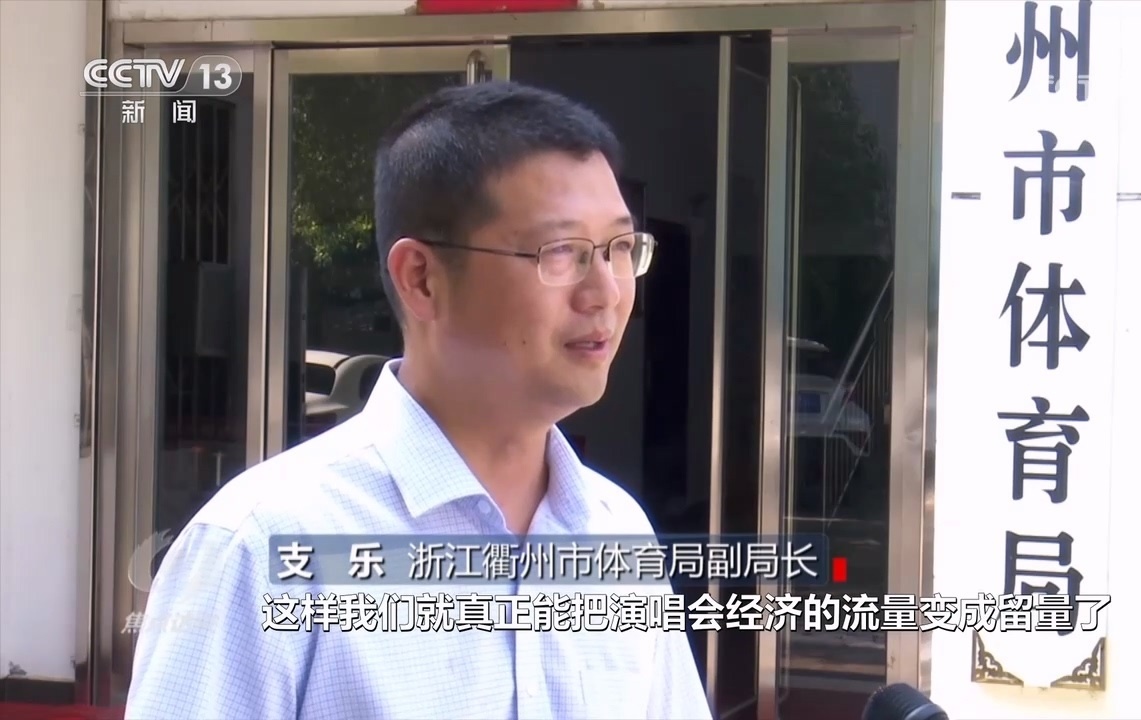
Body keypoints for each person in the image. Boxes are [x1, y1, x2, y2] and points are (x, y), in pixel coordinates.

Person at [125, 81, 713, 720]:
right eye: (563, 252)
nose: (607, 292)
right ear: (422, 279)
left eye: (620, 249)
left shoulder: (616, 530)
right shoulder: (265, 544)